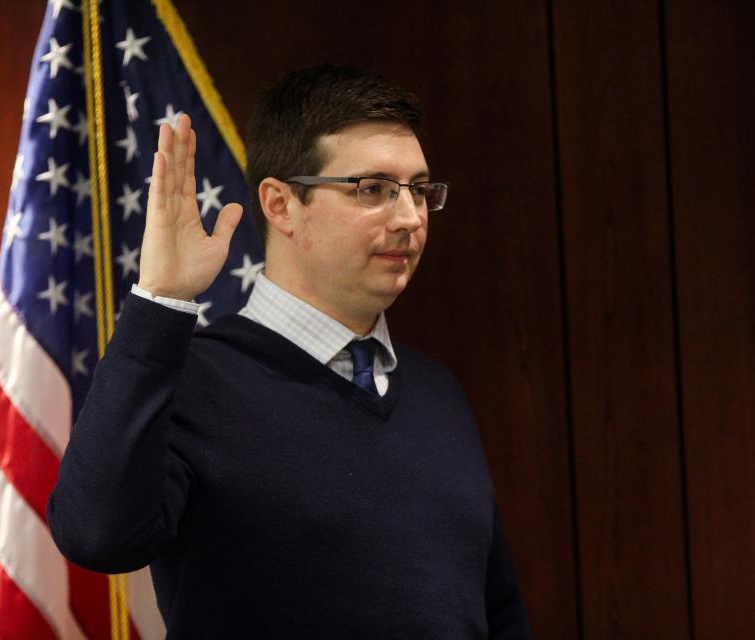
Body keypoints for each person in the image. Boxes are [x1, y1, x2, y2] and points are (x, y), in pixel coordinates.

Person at [48, 65, 531, 639]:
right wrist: (160, 302)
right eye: (372, 189)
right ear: (280, 205)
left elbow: (498, 613)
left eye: (420, 190)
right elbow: (98, 535)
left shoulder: (437, 393)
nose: (410, 218)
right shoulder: (193, 381)